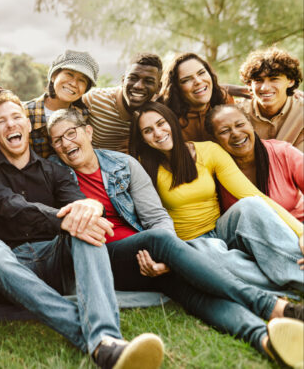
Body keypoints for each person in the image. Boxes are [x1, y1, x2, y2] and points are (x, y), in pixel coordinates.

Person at [47, 108, 304, 364]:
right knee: (158, 241)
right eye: (57, 140)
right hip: (103, 257)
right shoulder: (54, 174)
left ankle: (265, 341)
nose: (66, 143)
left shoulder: (123, 164)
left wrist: (164, 260)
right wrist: (162, 246)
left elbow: (156, 218)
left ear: (89, 132)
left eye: (71, 133)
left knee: (195, 295)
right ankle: (273, 307)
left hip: (146, 255)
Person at [0, 89, 165, 369]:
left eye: (16, 117)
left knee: (86, 229)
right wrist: (63, 219)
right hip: (12, 262)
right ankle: (97, 341)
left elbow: (80, 206)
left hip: (55, 258)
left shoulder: (55, 171)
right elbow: (9, 204)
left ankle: (106, 338)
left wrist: (91, 210)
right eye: (1, 122)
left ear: (28, 125)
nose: (11, 124)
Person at [129, 101, 304, 293]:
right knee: (214, 255)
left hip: (221, 230)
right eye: (148, 130)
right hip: (189, 244)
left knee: (250, 204)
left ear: (171, 121)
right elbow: (149, 219)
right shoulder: (141, 168)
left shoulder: (208, 151)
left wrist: (301, 233)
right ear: (143, 139)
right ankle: (283, 285)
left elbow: (253, 194)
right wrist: (171, 256)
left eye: (161, 123)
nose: (158, 133)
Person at [206, 104, 303, 221]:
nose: (236, 134)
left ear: (251, 125)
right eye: (224, 131)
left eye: (240, 125)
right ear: (215, 140)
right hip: (248, 236)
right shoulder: (212, 171)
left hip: (298, 227)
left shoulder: (283, 153)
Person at [82, 53, 162, 153]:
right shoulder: (94, 99)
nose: (139, 86)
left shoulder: (159, 113)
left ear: (159, 87)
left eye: (149, 81)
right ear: (123, 80)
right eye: (133, 78)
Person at [25, 50, 98, 158]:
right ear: (54, 76)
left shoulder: (83, 115)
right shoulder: (25, 113)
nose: (73, 83)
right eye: (69, 74)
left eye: (82, 80)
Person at [237, 47, 303, 151]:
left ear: (290, 81)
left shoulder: (301, 110)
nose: (265, 88)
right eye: (258, 80)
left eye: (274, 79)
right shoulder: (238, 112)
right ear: (250, 84)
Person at [159, 53, 234, 142]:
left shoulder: (225, 101)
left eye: (201, 73)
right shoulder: (165, 119)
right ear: (176, 88)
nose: (198, 81)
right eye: (186, 80)